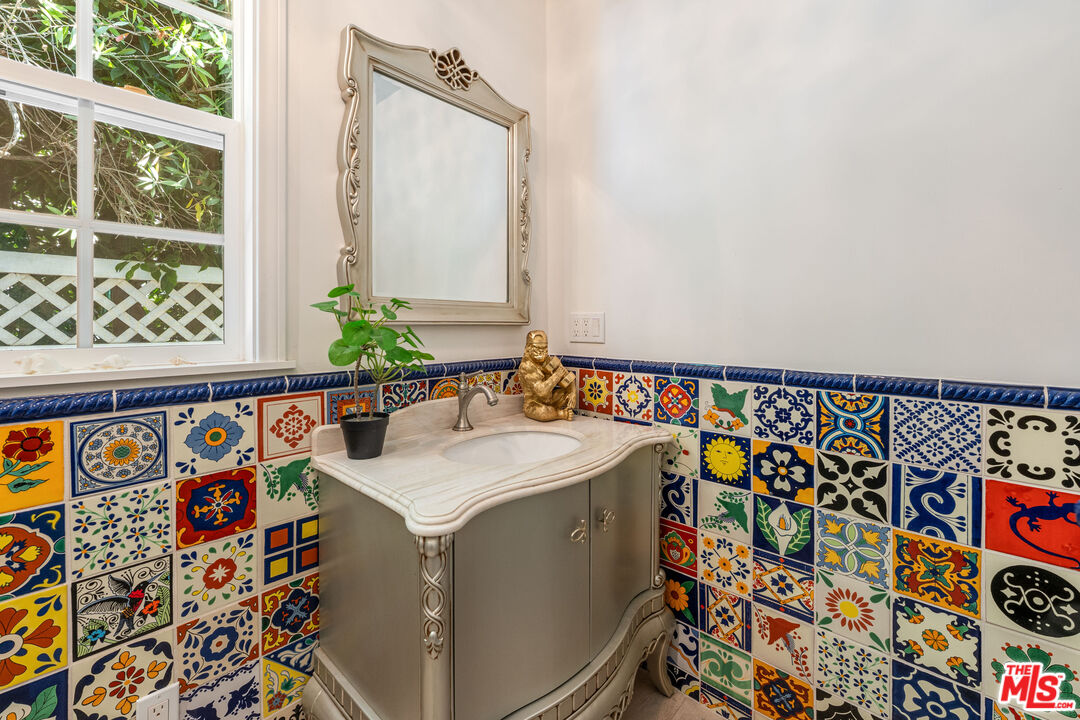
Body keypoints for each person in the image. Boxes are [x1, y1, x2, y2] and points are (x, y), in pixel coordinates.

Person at [519, 330, 576, 421]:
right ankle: (559, 413)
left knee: (567, 394)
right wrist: (556, 375)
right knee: (542, 412)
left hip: (550, 399)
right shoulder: (526, 366)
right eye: (537, 348)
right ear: (528, 348)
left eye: (544, 348)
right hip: (534, 404)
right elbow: (541, 392)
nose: (542, 352)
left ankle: (553, 411)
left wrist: (573, 392)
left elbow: (568, 377)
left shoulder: (547, 359)